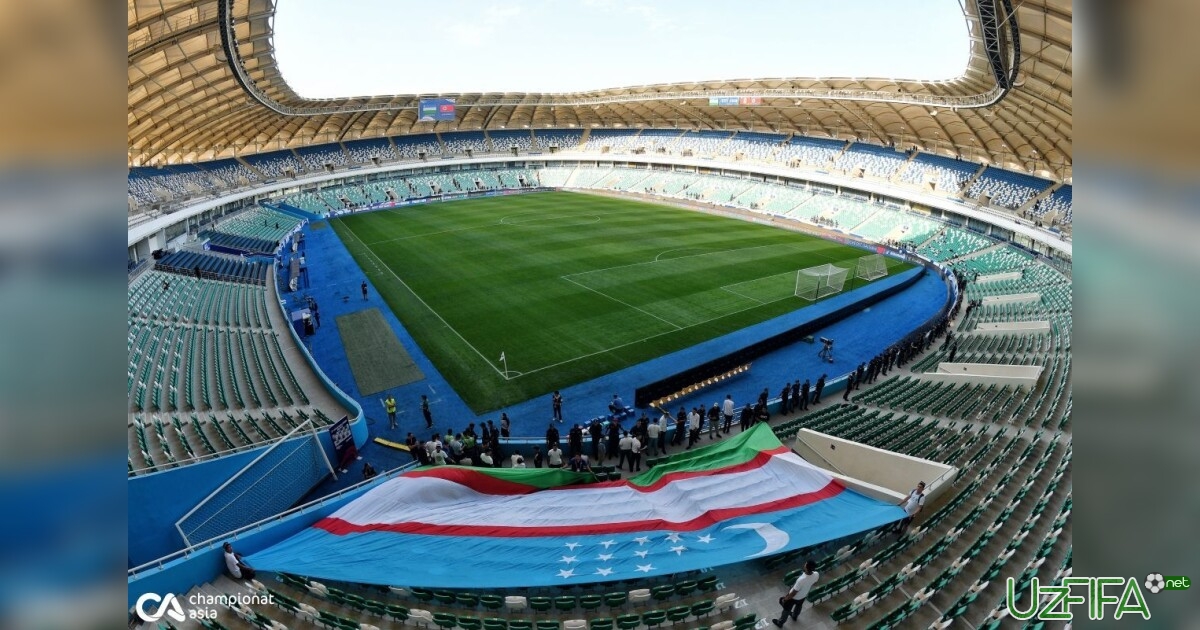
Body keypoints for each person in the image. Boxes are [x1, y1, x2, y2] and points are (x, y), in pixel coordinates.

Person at [771, 559, 819, 627]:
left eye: (805, 563)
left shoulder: (801, 580)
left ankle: (780, 622)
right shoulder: (816, 574)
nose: (804, 564)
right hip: (803, 595)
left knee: (786, 610)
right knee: (799, 606)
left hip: (793, 598)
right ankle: (794, 616)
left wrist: (786, 598)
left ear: (806, 567)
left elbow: (794, 592)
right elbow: (814, 581)